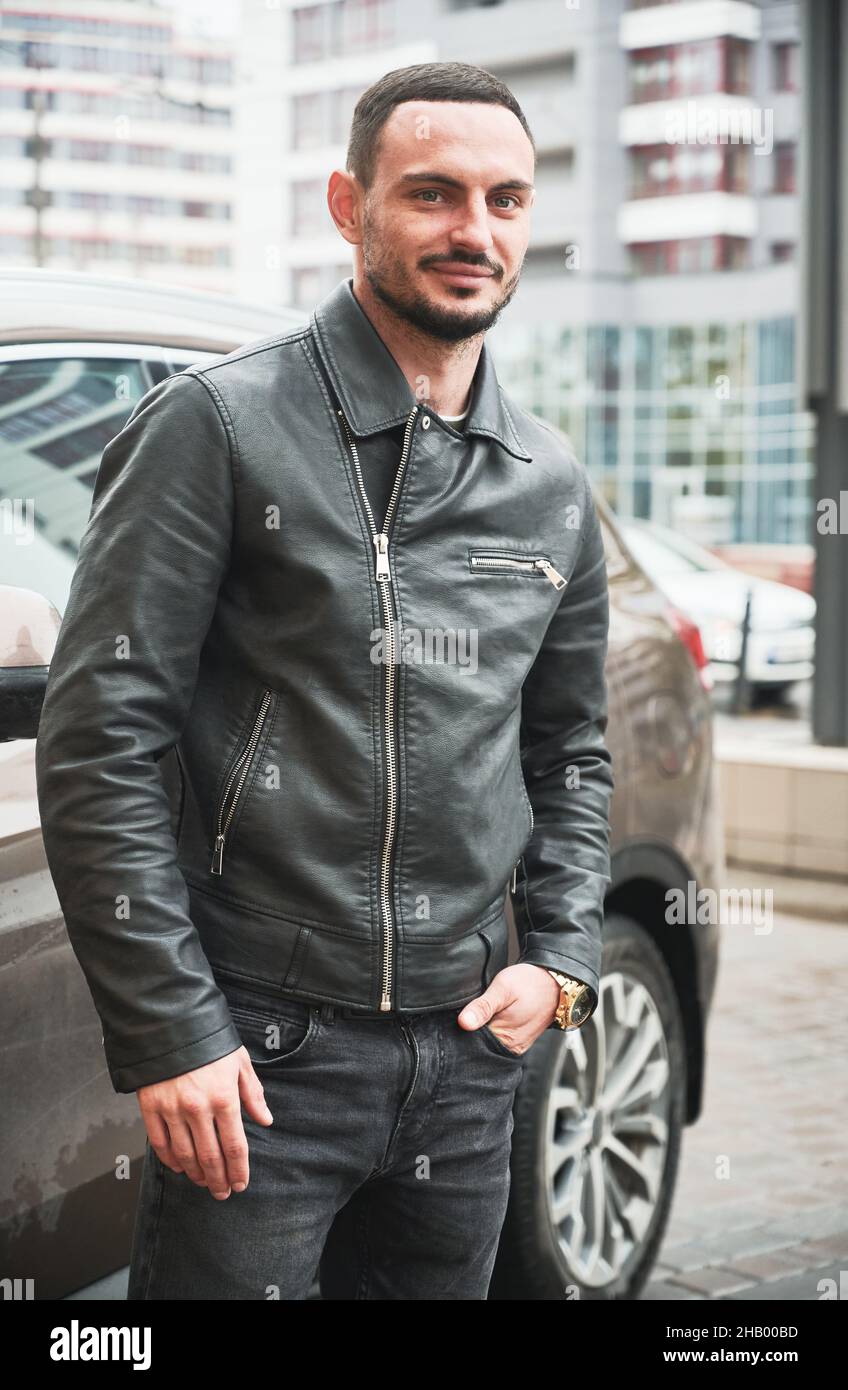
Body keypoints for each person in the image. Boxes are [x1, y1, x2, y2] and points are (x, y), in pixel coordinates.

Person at [35, 60, 614, 1300]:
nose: (473, 231)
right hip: (260, 1054)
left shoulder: (548, 481)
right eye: (434, 194)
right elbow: (101, 740)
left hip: (467, 1059)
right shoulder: (219, 426)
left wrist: (557, 962)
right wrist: (171, 1031)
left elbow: (568, 749)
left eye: (504, 200)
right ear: (349, 206)